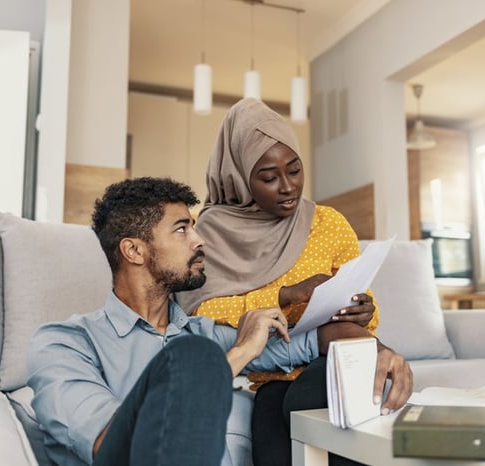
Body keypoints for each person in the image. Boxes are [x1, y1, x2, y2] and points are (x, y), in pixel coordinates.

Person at [175, 98, 413, 466]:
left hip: (332, 360)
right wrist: (287, 294)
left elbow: (363, 304)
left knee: (308, 399)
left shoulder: (328, 222)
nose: (287, 187)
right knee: (274, 443)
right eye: (269, 178)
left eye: (295, 171)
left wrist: (366, 308)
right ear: (239, 176)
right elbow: (203, 313)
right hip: (270, 373)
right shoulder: (209, 231)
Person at [27, 177, 324, 465]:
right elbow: (108, 446)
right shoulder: (63, 343)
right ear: (134, 250)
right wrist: (240, 353)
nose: (199, 240)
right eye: (182, 230)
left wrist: (350, 326)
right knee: (193, 354)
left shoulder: (199, 331)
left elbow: (297, 347)